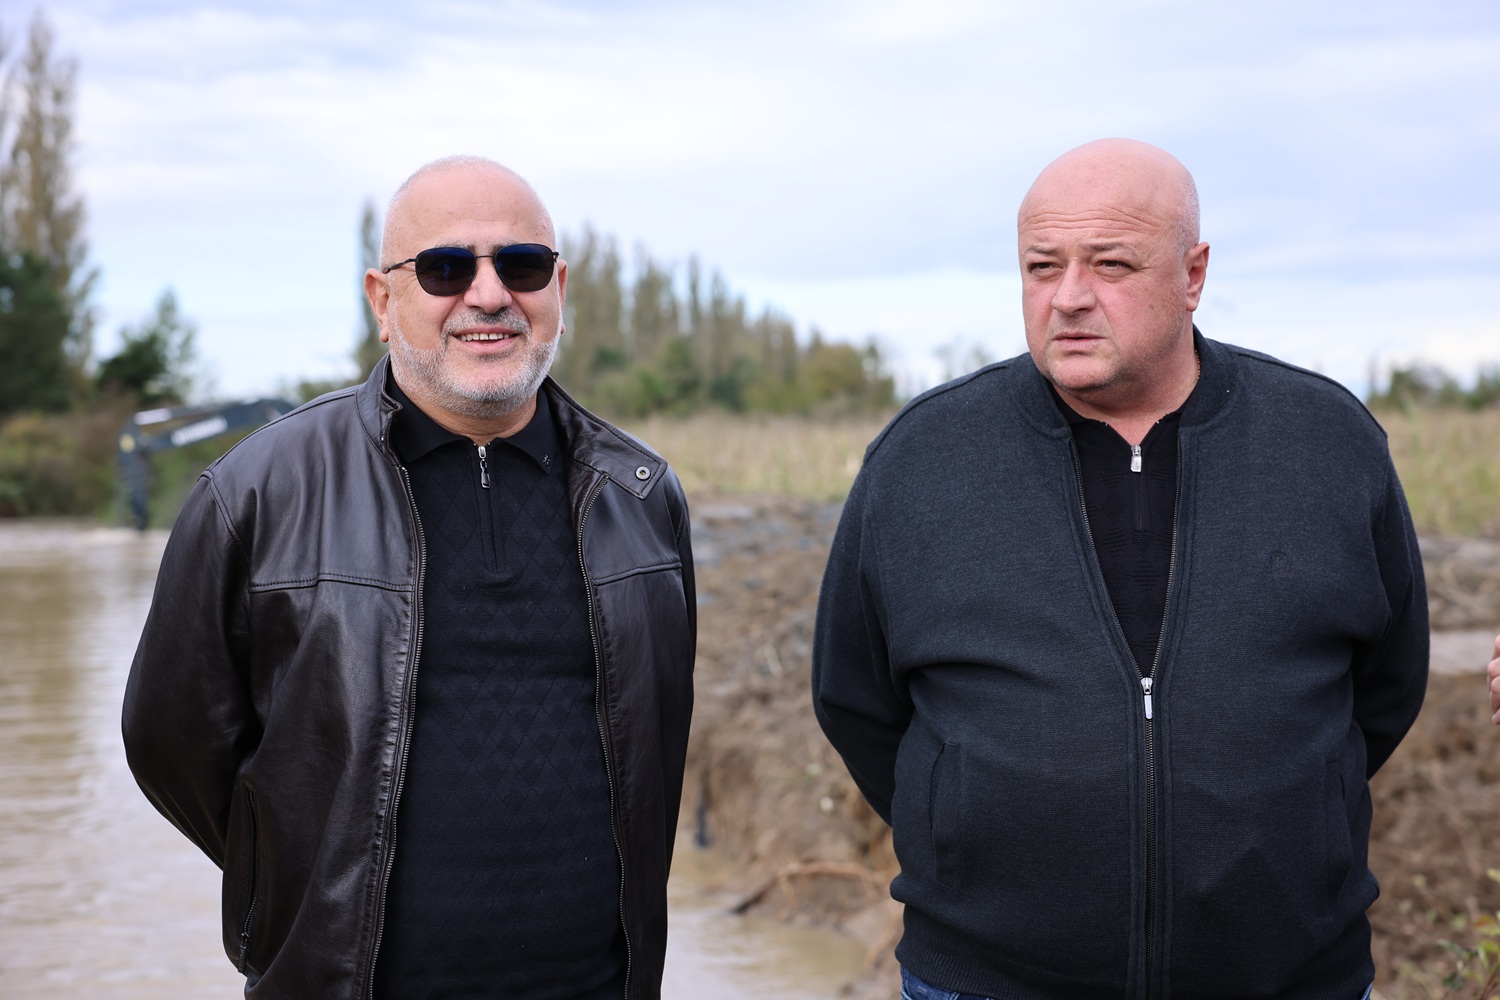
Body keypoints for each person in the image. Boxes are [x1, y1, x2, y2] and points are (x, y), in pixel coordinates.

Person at [812, 138, 1428, 1000]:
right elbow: (855, 699)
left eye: (1110, 264)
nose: (1068, 297)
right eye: (1042, 266)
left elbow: (1387, 688)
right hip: (987, 981)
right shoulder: (921, 459)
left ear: (1193, 274)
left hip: (1288, 977)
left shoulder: (1327, 443)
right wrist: (969, 821)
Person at [123, 156, 696, 1000]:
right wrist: (297, 872)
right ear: (383, 302)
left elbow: (659, 742)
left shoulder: (640, 494)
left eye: (522, 265)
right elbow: (170, 743)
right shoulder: (257, 493)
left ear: (558, 287)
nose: (489, 295)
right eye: (445, 268)